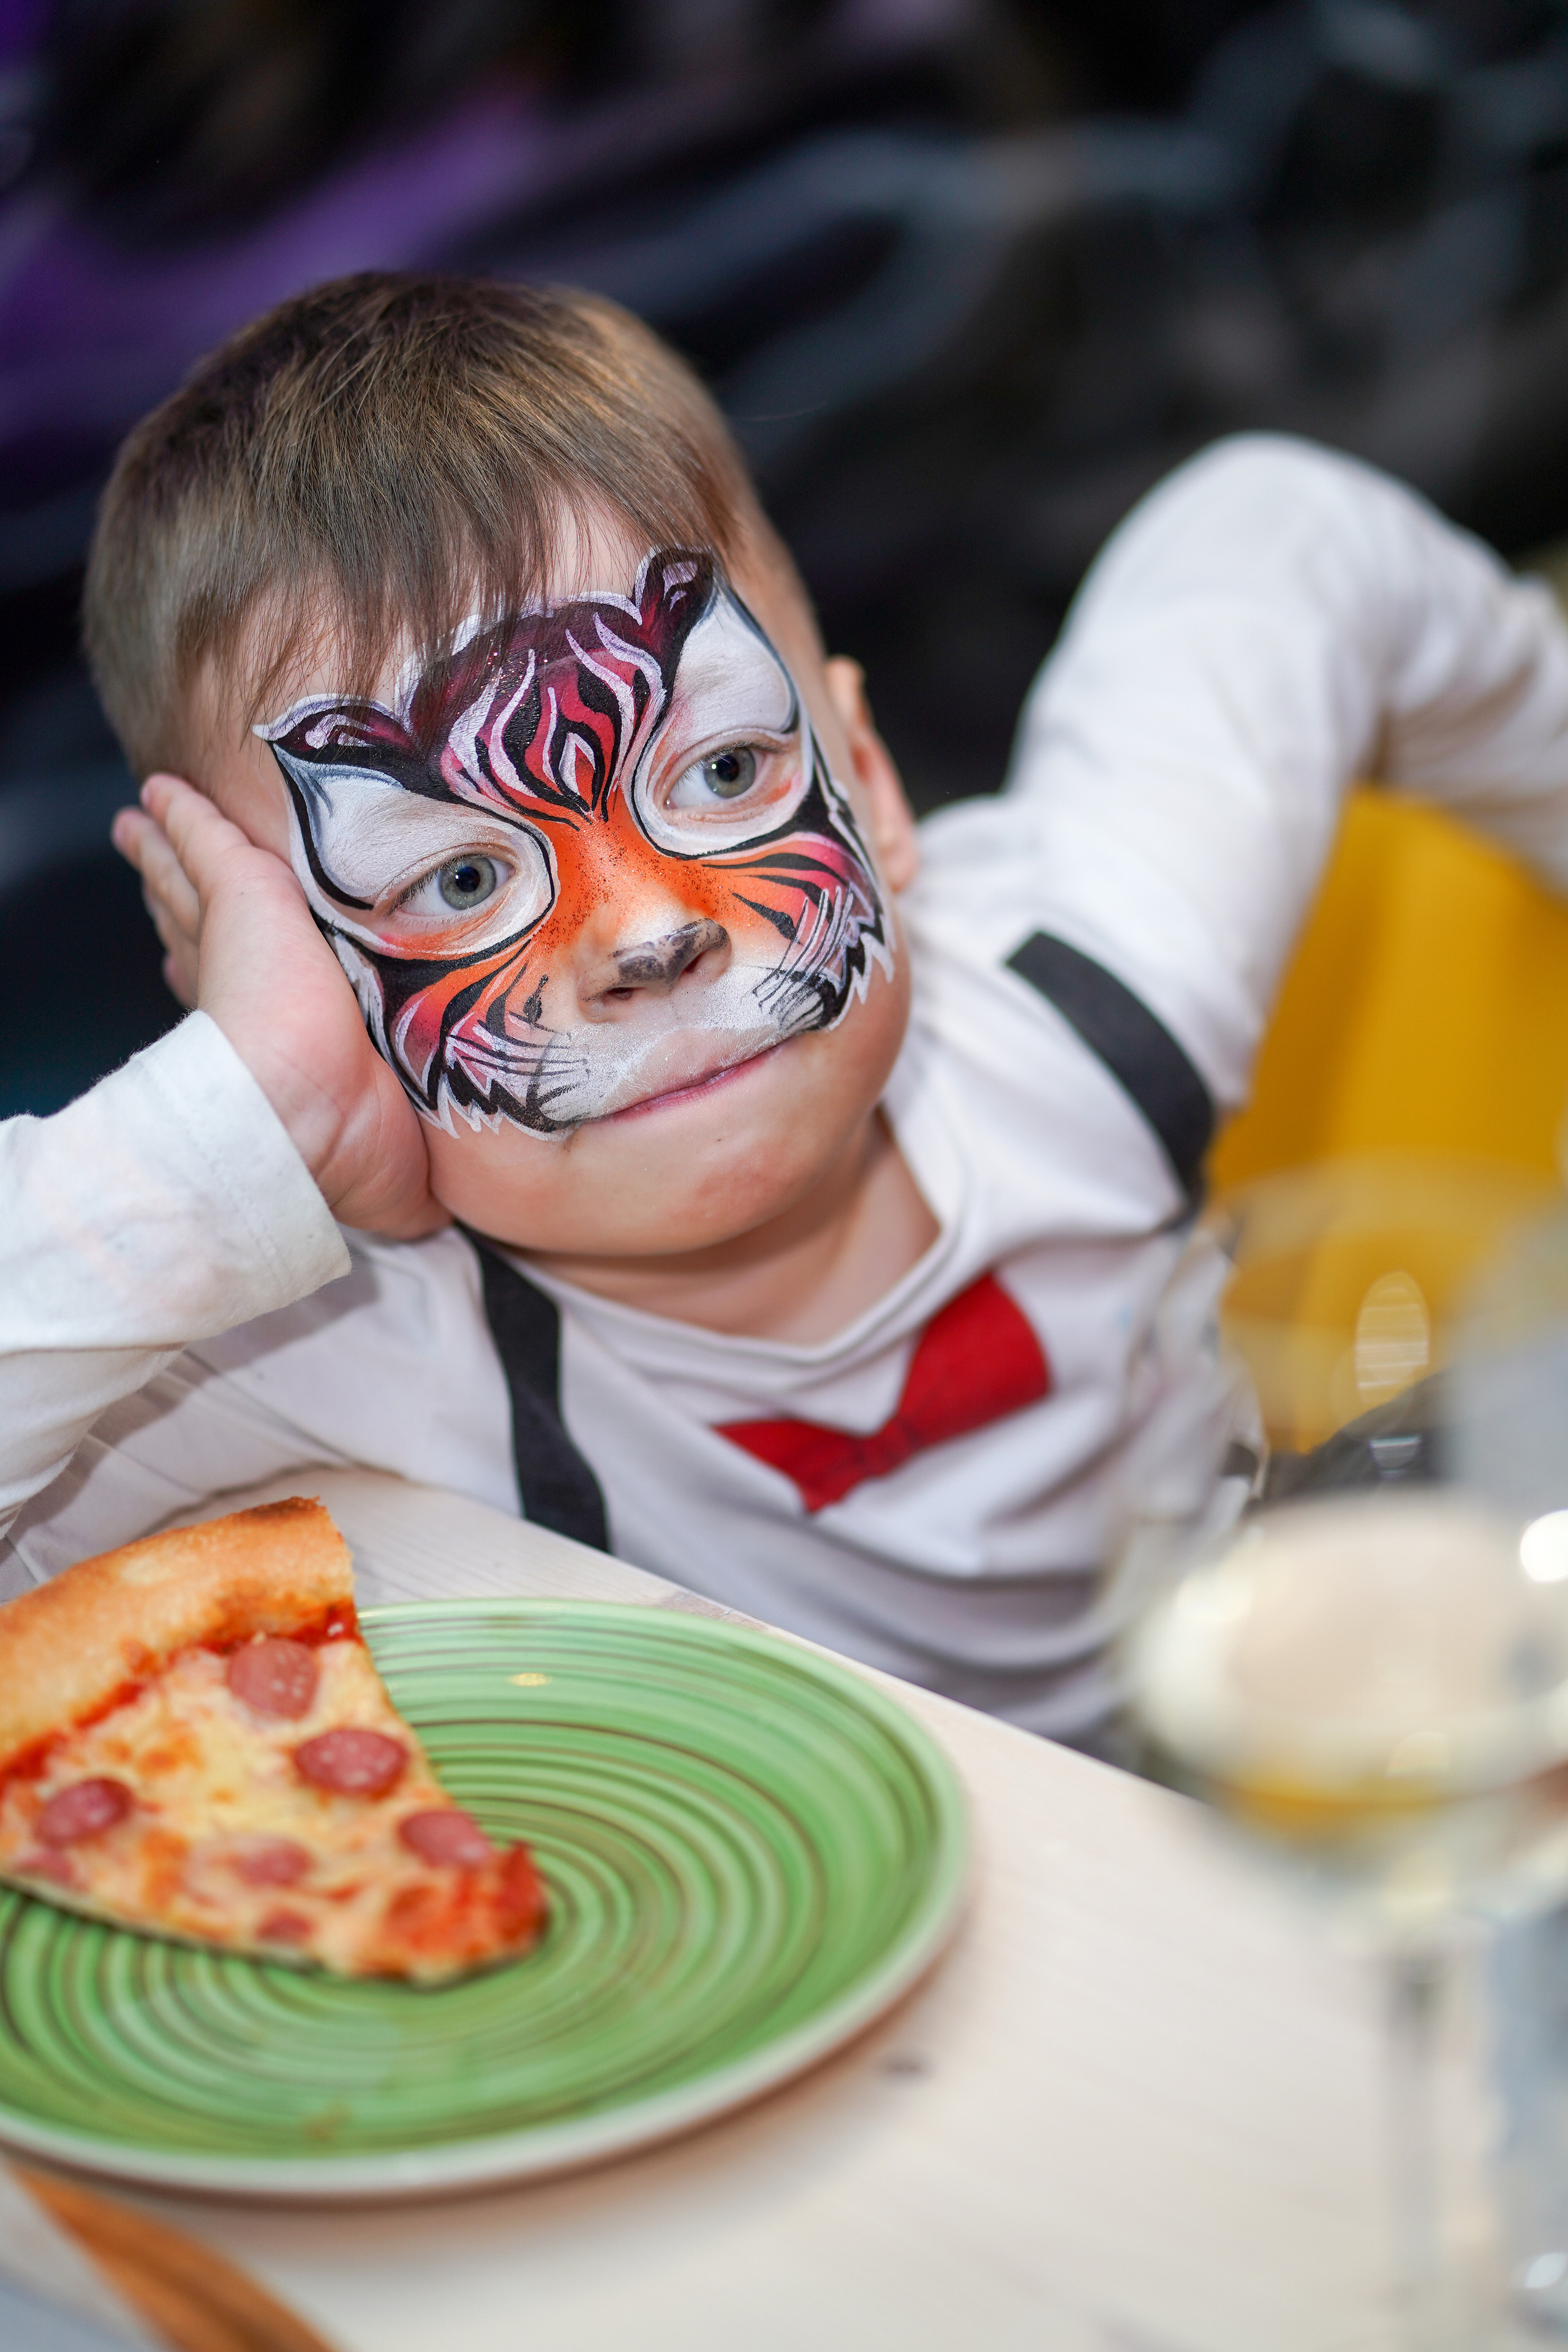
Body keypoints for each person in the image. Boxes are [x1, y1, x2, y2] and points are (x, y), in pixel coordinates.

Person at [6, 272, 1568, 1755]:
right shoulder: (336, 1350)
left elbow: (1274, 540)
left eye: (726, 774)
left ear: (873, 791)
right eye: (461, 877)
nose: (649, 930)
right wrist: (235, 1130)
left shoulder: (1084, 989)